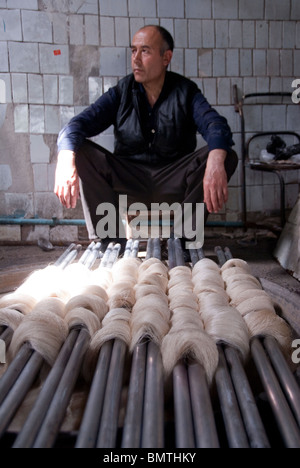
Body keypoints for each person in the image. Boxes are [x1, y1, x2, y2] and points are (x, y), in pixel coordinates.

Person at [54, 25, 237, 253]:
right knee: (79, 150)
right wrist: (65, 157)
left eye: (146, 51)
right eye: (134, 51)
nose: (136, 60)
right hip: (129, 180)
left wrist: (216, 159)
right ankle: (110, 242)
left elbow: (215, 125)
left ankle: (182, 242)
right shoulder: (122, 92)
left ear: (166, 57)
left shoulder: (185, 92)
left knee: (225, 154)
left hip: (173, 179)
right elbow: (77, 125)